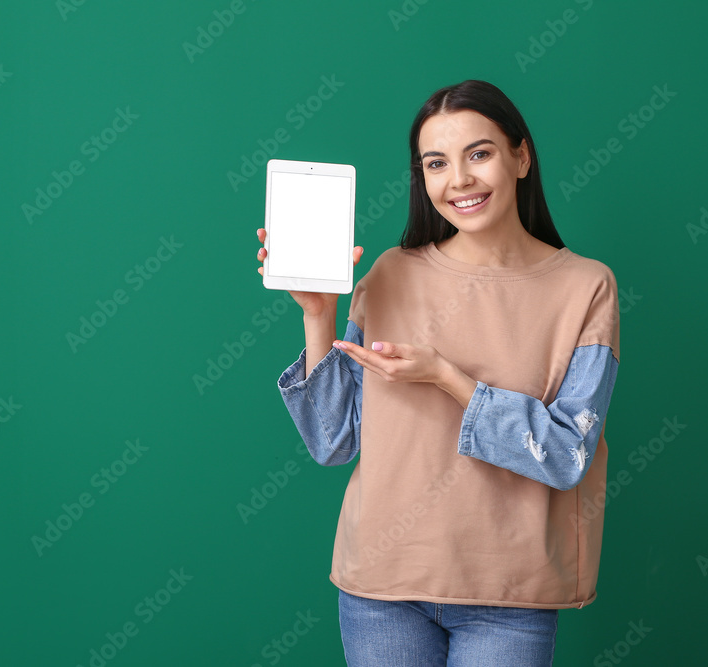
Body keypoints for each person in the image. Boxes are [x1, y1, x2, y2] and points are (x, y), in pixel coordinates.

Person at [255, 79, 620, 666]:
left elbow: (567, 455)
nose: (459, 181)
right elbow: (332, 440)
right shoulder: (390, 273)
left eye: (480, 154)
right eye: (436, 163)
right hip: (381, 585)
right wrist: (318, 317)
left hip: (511, 593)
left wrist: (448, 377)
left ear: (521, 156)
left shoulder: (586, 287)